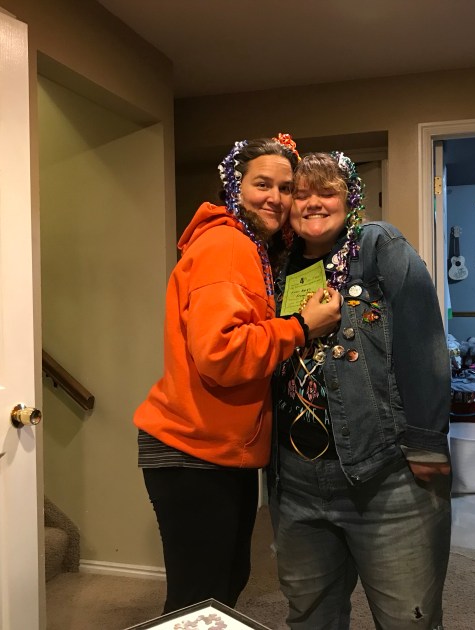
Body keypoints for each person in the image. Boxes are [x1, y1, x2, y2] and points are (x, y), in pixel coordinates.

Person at [134, 135, 341, 613]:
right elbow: (221, 354)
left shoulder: (250, 248)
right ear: (235, 187)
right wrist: (302, 327)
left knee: (220, 587)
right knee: (199, 601)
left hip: (216, 448)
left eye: (286, 188)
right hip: (194, 450)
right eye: (262, 184)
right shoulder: (228, 244)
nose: (276, 198)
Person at [270, 152, 452, 629]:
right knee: (310, 617)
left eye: (326, 192)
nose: (312, 203)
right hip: (296, 480)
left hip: (384, 474)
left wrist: (428, 443)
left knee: (409, 619)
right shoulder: (276, 265)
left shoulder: (378, 246)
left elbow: (424, 343)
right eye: (300, 194)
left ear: (349, 198)